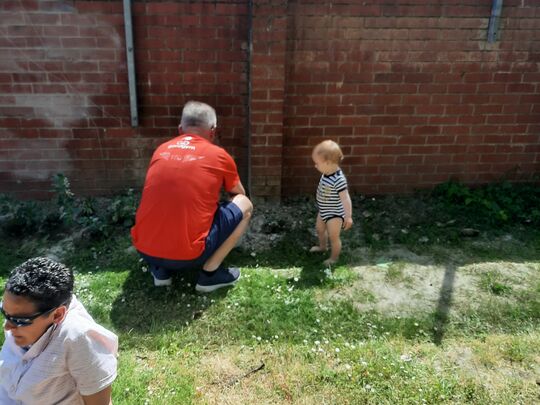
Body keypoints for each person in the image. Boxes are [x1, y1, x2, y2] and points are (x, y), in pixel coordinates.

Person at [131, 100, 253, 292]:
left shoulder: (161, 150)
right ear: (212, 131)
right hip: (190, 255)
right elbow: (238, 194)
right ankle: (210, 275)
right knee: (245, 205)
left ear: (180, 129)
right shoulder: (219, 155)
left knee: (166, 203)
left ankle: (161, 272)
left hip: (145, 250)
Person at [0, 257, 118, 405]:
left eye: (20, 320)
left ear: (57, 315)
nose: (7, 327)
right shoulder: (21, 314)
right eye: (4, 313)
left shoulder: (78, 339)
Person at [310, 140, 353, 265]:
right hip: (323, 209)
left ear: (328, 163)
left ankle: (334, 258)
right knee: (319, 229)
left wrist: (348, 216)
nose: (315, 166)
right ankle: (323, 247)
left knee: (334, 237)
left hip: (335, 213)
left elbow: (345, 198)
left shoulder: (339, 179)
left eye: (317, 163)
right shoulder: (327, 172)